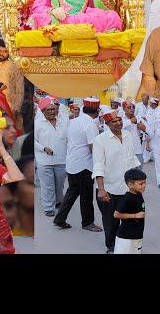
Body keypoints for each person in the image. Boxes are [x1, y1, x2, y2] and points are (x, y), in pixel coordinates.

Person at [92, 111, 141, 254]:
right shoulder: (100, 140)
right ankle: (112, 246)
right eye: (114, 121)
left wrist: (137, 184)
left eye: (120, 120)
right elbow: (98, 165)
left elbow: (132, 160)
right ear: (107, 124)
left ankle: (128, 244)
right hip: (109, 189)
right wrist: (101, 189)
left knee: (130, 219)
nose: (119, 123)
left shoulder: (128, 135)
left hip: (127, 188)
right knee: (111, 221)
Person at [54, 97, 102, 232]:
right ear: (96, 110)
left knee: (72, 192)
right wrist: (101, 164)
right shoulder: (90, 124)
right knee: (86, 196)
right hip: (84, 165)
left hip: (72, 163)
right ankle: (87, 222)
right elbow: (93, 147)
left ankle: (60, 219)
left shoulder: (74, 121)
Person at [34, 97, 68, 217]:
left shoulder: (63, 121)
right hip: (44, 160)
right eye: (49, 110)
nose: (52, 112)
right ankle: (48, 206)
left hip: (61, 159)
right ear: (43, 111)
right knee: (47, 185)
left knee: (60, 184)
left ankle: (59, 201)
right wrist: (43, 148)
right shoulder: (37, 123)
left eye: (54, 109)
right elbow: (33, 141)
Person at [113, 168, 147, 254]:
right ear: (130, 185)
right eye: (141, 184)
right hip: (126, 237)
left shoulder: (139, 194)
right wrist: (135, 216)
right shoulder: (126, 199)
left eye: (144, 183)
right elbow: (116, 214)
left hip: (137, 235)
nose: (144, 185)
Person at [0, 40, 25, 126]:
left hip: (11, 107)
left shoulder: (15, 67)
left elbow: (20, 89)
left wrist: (16, 108)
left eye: (5, 51)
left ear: (9, 52)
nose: (1, 54)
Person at [121, 99, 146, 167]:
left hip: (137, 150)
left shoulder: (139, 119)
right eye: (129, 107)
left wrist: (144, 129)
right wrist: (130, 121)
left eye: (133, 107)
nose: (132, 109)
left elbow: (150, 134)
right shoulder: (120, 119)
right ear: (123, 109)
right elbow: (118, 127)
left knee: (139, 173)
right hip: (125, 152)